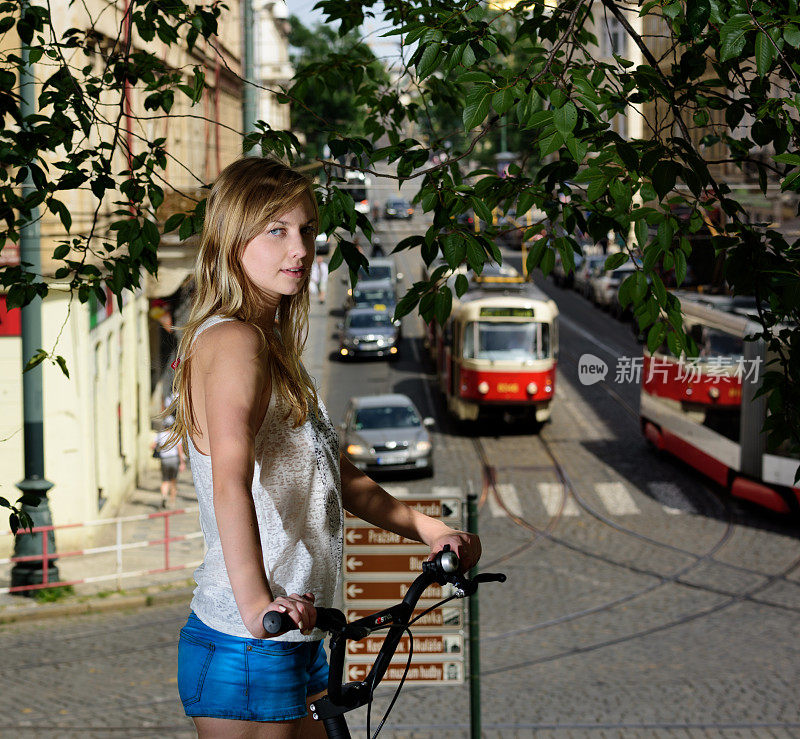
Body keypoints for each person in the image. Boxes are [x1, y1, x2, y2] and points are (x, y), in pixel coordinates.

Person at [162, 157, 481, 737]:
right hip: (248, 642)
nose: (300, 248)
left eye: (307, 229)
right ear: (234, 238)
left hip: (295, 634)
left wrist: (427, 528)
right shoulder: (234, 341)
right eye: (277, 231)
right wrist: (260, 604)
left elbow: (338, 477)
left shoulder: (270, 342)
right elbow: (230, 481)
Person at [152, 416, 185, 508]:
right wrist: (182, 462)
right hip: (174, 459)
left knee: (165, 480)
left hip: (164, 460)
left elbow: (152, 446)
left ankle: (164, 496)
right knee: (173, 481)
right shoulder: (175, 435)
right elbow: (179, 449)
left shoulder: (159, 435)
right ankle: (172, 501)